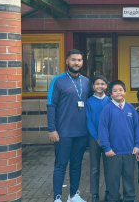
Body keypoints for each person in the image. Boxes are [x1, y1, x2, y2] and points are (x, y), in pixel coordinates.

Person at [47, 49, 90, 202]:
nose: (76, 63)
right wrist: (52, 129)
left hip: (81, 132)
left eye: (79, 60)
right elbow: (51, 106)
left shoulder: (86, 81)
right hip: (63, 132)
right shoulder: (57, 81)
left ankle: (73, 195)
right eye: (73, 60)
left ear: (82, 62)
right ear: (67, 61)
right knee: (60, 165)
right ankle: (57, 198)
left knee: (77, 165)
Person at [98, 80, 139, 202]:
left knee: (129, 178)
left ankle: (129, 198)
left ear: (125, 92)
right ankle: (113, 198)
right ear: (110, 94)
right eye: (115, 91)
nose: (118, 93)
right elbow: (102, 130)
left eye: (120, 90)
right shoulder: (107, 109)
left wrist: (137, 145)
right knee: (113, 179)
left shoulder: (131, 109)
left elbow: (137, 127)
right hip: (113, 152)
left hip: (129, 151)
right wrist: (106, 148)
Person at [86, 75, 111, 202]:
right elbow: (89, 121)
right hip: (94, 139)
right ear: (93, 86)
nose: (100, 86)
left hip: (108, 139)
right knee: (95, 167)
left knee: (108, 167)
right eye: (97, 84)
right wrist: (97, 137)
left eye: (102, 83)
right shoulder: (89, 102)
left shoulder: (110, 101)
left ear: (106, 86)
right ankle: (94, 194)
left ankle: (109, 192)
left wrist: (105, 137)